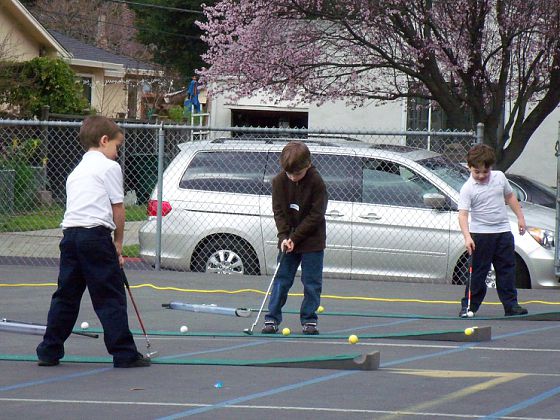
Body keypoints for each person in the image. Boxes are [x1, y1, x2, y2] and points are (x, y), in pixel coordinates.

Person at [36, 116, 150, 368]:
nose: (117, 153)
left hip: (70, 237)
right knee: (109, 295)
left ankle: (49, 350)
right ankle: (124, 353)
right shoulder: (109, 167)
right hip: (95, 237)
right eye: (117, 147)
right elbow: (118, 208)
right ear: (104, 140)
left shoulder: (76, 172)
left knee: (66, 295)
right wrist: (118, 244)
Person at [262, 141, 328, 335]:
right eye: (289, 173)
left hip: (312, 240)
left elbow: (316, 215)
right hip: (287, 240)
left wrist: (295, 237)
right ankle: (272, 318)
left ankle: (309, 320)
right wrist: (284, 236)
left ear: (308, 165)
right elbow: (279, 212)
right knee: (281, 280)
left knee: (311, 282)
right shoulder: (278, 181)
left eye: (297, 174)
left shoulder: (317, 182)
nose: (292, 177)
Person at [458, 143, 528, 318]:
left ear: (491, 168)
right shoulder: (468, 188)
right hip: (481, 236)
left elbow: (510, 196)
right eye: (477, 172)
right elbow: (463, 215)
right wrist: (467, 237)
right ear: (469, 167)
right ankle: (469, 307)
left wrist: (520, 218)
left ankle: (511, 306)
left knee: (507, 270)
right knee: (478, 272)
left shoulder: (499, 178)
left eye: (485, 171)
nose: (482, 175)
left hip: (503, 232)